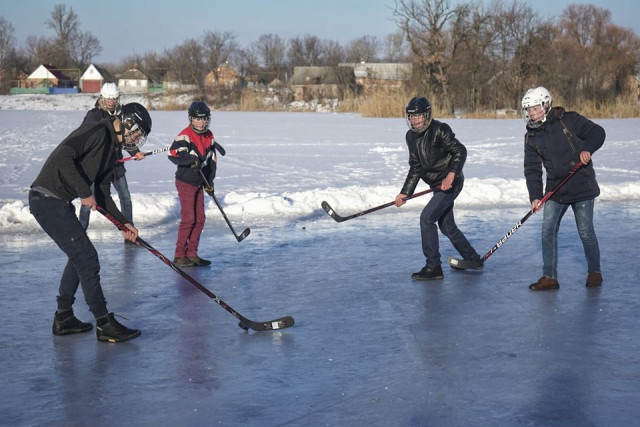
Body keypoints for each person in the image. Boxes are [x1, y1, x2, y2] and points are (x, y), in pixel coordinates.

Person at [28, 102, 152, 343]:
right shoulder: (97, 131)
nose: (137, 139)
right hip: (46, 199)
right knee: (86, 258)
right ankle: (104, 323)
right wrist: (84, 192)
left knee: (79, 256)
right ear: (126, 123)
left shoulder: (112, 151)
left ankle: (64, 317)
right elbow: (64, 156)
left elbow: (102, 193)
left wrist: (124, 223)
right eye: (137, 132)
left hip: (58, 203)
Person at [521, 86, 605, 290]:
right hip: (556, 189)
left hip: (581, 184)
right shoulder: (531, 136)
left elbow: (597, 132)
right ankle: (549, 276)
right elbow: (532, 169)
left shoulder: (569, 120)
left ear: (546, 104)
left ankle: (594, 272)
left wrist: (587, 149)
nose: (532, 113)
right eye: (529, 110)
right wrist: (535, 196)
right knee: (547, 231)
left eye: (535, 108)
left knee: (585, 231)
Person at [394, 96, 483, 280]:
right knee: (447, 227)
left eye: (419, 116)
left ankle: (433, 266)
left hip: (451, 183)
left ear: (427, 115)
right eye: (412, 116)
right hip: (436, 186)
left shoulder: (440, 130)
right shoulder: (410, 137)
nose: (415, 120)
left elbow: (460, 151)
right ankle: (473, 259)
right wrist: (405, 193)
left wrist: (451, 175)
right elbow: (416, 167)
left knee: (427, 218)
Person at [79, 83, 145, 240]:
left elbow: (126, 137)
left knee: (126, 198)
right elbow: (84, 137)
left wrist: (135, 152)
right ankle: (80, 234)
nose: (111, 102)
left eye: (114, 99)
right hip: (97, 167)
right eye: (108, 99)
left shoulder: (123, 115)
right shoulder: (94, 115)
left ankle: (129, 232)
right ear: (102, 98)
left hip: (116, 165)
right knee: (88, 201)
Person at [168, 101, 219, 267]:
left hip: (199, 182)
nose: (201, 123)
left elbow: (211, 162)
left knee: (200, 219)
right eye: (197, 119)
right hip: (185, 182)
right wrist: (191, 160)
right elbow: (173, 154)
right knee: (189, 218)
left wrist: (209, 182)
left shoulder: (209, 136)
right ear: (191, 119)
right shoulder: (185, 135)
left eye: (204, 119)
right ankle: (179, 255)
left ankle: (192, 253)